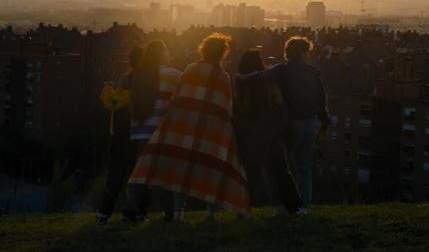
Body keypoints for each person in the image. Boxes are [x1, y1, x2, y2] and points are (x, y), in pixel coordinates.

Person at [129, 33, 249, 221]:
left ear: (203, 50)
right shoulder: (223, 76)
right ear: (222, 54)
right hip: (212, 131)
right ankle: (211, 213)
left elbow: (178, 98)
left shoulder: (190, 69)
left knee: (180, 169)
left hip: (185, 126)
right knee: (211, 170)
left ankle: (178, 213)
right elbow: (225, 107)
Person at [239, 36, 330, 215]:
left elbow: (259, 77)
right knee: (305, 166)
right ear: (304, 53)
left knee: (283, 167)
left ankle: (285, 206)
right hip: (310, 122)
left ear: (288, 52)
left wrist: (241, 80)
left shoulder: (282, 70)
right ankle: (304, 206)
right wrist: (324, 123)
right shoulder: (313, 72)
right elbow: (321, 99)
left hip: (290, 124)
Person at [233, 49, 303, 214]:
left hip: (249, 138)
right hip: (271, 136)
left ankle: (243, 209)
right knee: (281, 173)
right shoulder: (268, 84)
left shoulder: (239, 86)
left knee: (250, 175)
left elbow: (237, 112)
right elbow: (279, 108)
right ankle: (292, 207)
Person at [123, 40, 182, 223]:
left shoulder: (139, 75)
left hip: (141, 132)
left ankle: (131, 210)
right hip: (162, 132)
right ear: (162, 53)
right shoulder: (173, 75)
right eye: (167, 51)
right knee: (164, 175)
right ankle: (170, 214)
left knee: (141, 173)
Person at [96, 45, 143, 225]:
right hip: (133, 135)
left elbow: (114, 103)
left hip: (118, 135)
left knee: (115, 176)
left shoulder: (124, 78)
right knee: (136, 176)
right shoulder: (138, 79)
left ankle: (104, 213)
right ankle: (134, 212)